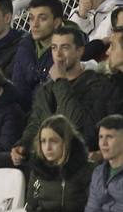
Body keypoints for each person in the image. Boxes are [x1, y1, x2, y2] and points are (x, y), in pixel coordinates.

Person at [9, 26, 116, 167]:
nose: (58, 55)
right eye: (54, 48)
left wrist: (60, 82)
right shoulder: (47, 87)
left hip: (75, 158)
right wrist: (23, 145)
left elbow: (79, 126)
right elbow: (35, 123)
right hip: (45, 156)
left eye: (64, 48)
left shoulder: (97, 84)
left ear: (80, 51)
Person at [0, 115, 91, 212]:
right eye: (43, 141)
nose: (47, 147)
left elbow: (92, 210)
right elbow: (32, 205)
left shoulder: (85, 170)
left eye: (53, 141)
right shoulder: (38, 172)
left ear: (66, 142)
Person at [36, 115, 123, 212]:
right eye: (101, 137)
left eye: (110, 137)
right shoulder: (99, 172)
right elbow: (92, 209)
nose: (103, 143)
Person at [10, 0, 64, 101]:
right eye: (31, 18)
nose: (34, 24)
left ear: (56, 22)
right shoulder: (24, 45)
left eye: (42, 19)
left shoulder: (68, 49)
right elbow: (18, 88)